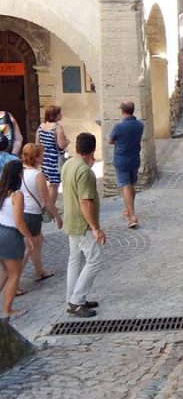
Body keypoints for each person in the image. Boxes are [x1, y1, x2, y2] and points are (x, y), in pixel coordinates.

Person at [62, 132, 104, 318]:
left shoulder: (69, 164)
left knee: (74, 260)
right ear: (92, 149)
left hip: (70, 219)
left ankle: (72, 297)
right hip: (82, 223)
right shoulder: (85, 171)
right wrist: (95, 228)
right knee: (94, 260)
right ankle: (76, 300)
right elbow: (85, 201)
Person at [21, 143, 62, 286]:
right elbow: (47, 200)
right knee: (31, 246)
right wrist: (57, 216)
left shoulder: (21, 172)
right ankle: (14, 278)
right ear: (37, 158)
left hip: (22, 212)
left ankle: (39, 271)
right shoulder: (38, 176)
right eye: (42, 155)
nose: (43, 157)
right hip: (32, 215)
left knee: (37, 242)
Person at [0, 160, 34, 319]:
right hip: (10, 235)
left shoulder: (2, 191)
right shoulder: (17, 195)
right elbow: (19, 221)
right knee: (14, 274)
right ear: (19, 174)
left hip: (0, 230)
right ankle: (8, 310)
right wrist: (29, 237)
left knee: (5, 272)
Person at [109, 101, 144, 229]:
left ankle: (132, 216)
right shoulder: (140, 125)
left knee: (125, 186)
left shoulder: (119, 126)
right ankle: (128, 209)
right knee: (131, 185)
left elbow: (111, 140)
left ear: (122, 111)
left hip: (121, 159)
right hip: (134, 158)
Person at [36, 105, 70, 208]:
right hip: (54, 160)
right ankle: (50, 208)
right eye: (60, 113)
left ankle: (46, 205)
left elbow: (37, 144)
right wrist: (67, 141)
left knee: (49, 183)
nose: (61, 115)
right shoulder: (57, 127)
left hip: (45, 159)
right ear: (55, 115)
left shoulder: (40, 127)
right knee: (54, 185)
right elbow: (61, 145)